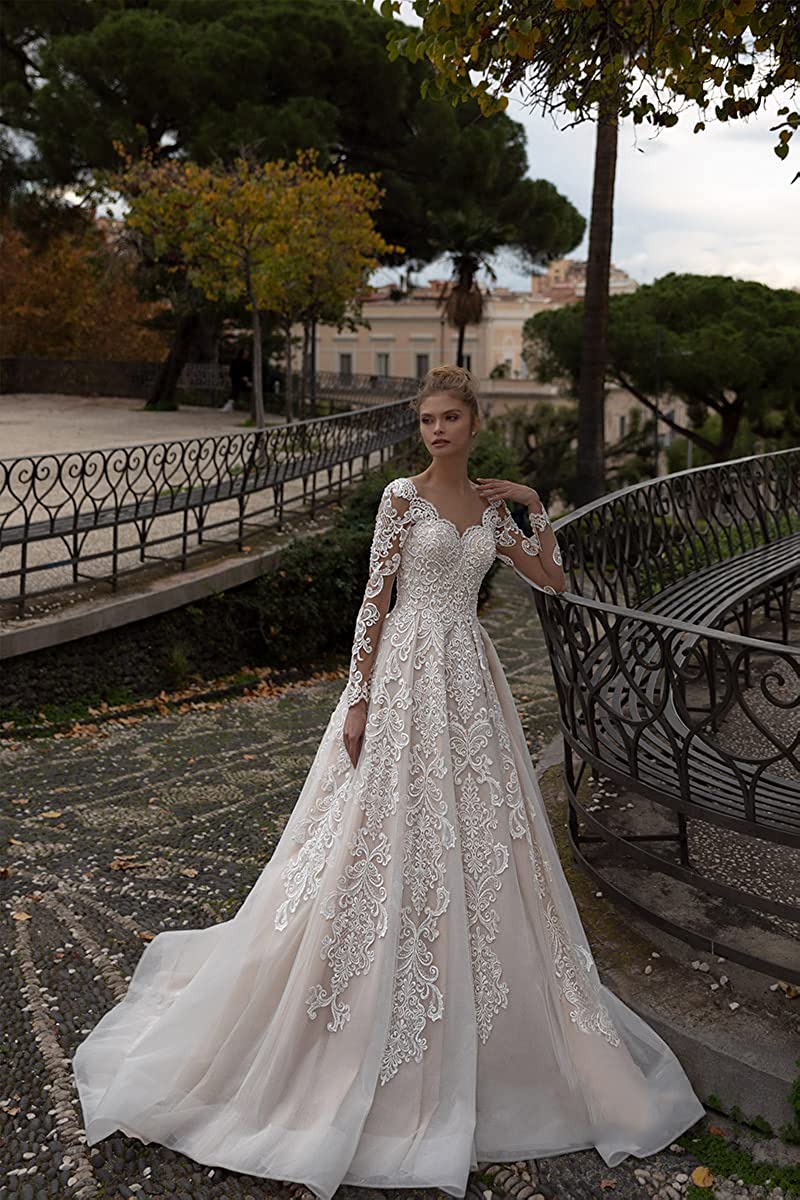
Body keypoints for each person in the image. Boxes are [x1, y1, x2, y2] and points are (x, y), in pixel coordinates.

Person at [71, 365, 705, 1199]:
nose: (436, 430)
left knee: (483, 837)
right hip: (406, 669)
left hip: (469, 680)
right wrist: (359, 696)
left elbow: (551, 581)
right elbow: (375, 600)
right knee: (380, 830)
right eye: (428, 419)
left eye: (450, 418)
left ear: (475, 422)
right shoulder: (400, 498)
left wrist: (533, 505)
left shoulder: (488, 511)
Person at [223, 346, 251, 412]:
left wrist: (248, 379)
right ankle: (230, 403)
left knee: (237, 387)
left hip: (247, 383)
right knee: (236, 386)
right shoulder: (235, 362)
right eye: (245, 354)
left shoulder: (248, 363)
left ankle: (230, 403)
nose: (246, 355)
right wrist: (242, 377)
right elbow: (232, 373)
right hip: (237, 381)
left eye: (247, 354)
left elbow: (250, 373)